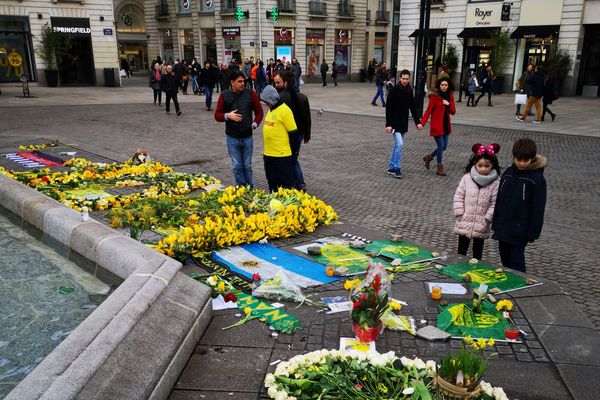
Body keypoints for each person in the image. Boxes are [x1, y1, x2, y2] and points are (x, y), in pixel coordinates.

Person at [492, 138, 547, 273]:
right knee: (505, 259)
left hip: (520, 229)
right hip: (503, 225)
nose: (521, 163)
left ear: (532, 158)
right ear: (513, 156)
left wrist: (533, 232)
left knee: (517, 261)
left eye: (525, 160)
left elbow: (538, 208)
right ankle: (508, 283)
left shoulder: (536, 179)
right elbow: (500, 199)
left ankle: (519, 286)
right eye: (518, 159)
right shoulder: (508, 173)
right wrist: (496, 222)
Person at [214, 71, 264, 187]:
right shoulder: (224, 95)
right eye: (239, 81)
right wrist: (228, 116)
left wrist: (255, 124)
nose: (242, 84)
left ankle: (249, 187)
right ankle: (241, 188)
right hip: (232, 137)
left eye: (243, 81)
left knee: (247, 165)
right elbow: (217, 115)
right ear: (232, 82)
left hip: (247, 136)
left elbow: (259, 112)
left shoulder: (250, 93)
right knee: (237, 165)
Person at [453, 143, 501, 260]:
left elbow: (495, 203)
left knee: (478, 250)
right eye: (480, 166)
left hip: (482, 221)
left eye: (487, 166)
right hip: (465, 218)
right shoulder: (467, 178)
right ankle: (459, 265)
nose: (483, 169)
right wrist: (460, 213)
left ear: (492, 165)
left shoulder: (496, 182)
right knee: (462, 249)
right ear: (475, 164)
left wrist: (488, 218)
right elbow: (459, 195)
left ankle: (476, 268)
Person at [273, 70, 312, 190]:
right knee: (293, 158)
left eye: (278, 83)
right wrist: (307, 135)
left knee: (286, 159)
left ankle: (290, 183)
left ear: (285, 83)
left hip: (285, 134)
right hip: (299, 133)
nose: (276, 85)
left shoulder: (280, 98)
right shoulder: (303, 97)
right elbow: (307, 118)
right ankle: (299, 183)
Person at [384, 69, 423, 179]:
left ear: (409, 79)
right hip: (394, 123)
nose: (405, 80)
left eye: (407, 79)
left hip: (403, 123)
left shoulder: (409, 91)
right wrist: (388, 124)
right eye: (403, 78)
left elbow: (413, 108)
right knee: (400, 144)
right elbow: (388, 109)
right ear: (400, 78)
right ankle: (397, 168)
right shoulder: (393, 91)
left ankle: (391, 167)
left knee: (397, 146)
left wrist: (417, 122)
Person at [259, 85, 298, 192]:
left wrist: (293, 154)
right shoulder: (271, 109)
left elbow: (294, 135)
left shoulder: (285, 111)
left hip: (282, 157)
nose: (265, 104)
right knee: (272, 184)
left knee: (285, 187)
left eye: (266, 101)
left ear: (272, 99)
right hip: (269, 155)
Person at [421, 77, 456, 176]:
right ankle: (439, 168)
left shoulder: (450, 96)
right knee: (440, 146)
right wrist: (422, 123)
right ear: (439, 86)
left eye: (446, 85)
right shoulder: (435, 97)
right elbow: (428, 111)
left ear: (448, 86)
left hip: (445, 125)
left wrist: (448, 104)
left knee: (444, 147)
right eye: (442, 85)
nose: (444, 87)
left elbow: (453, 112)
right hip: (437, 125)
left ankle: (429, 157)